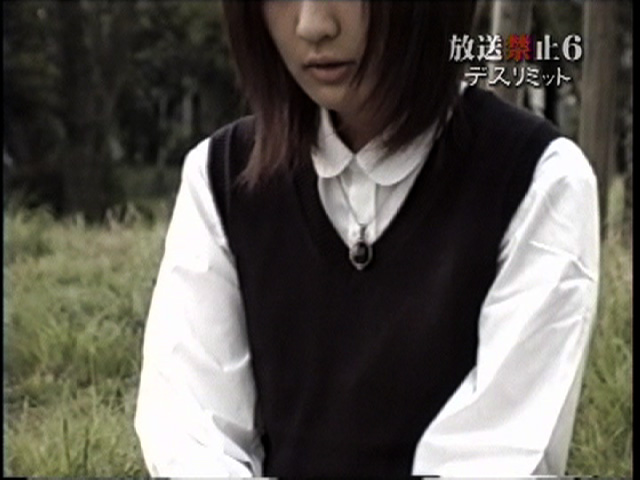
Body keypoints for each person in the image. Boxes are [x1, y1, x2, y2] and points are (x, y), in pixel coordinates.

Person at [134, 1, 600, 476]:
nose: (313, 26)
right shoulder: (221, 176)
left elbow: (495, 458)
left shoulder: (538, 181)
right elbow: (192, 437)